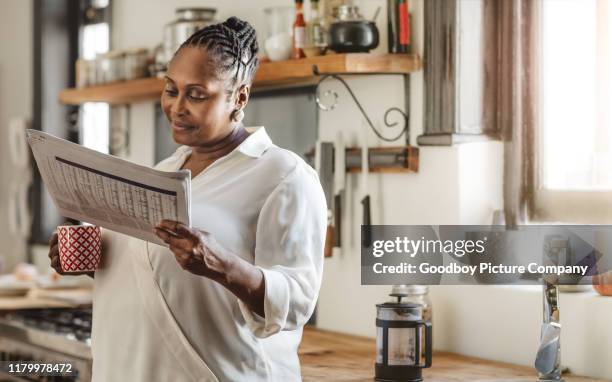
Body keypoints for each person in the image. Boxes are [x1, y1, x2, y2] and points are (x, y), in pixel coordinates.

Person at [47, 17, 327, 382]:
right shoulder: (165, 170)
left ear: (238, 96)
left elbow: (298, 301)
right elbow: (155, 272)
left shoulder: (283, 176)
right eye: (171, 89)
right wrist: (95, 260)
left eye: (196, 94)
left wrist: (222, 265)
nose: (178, 107)